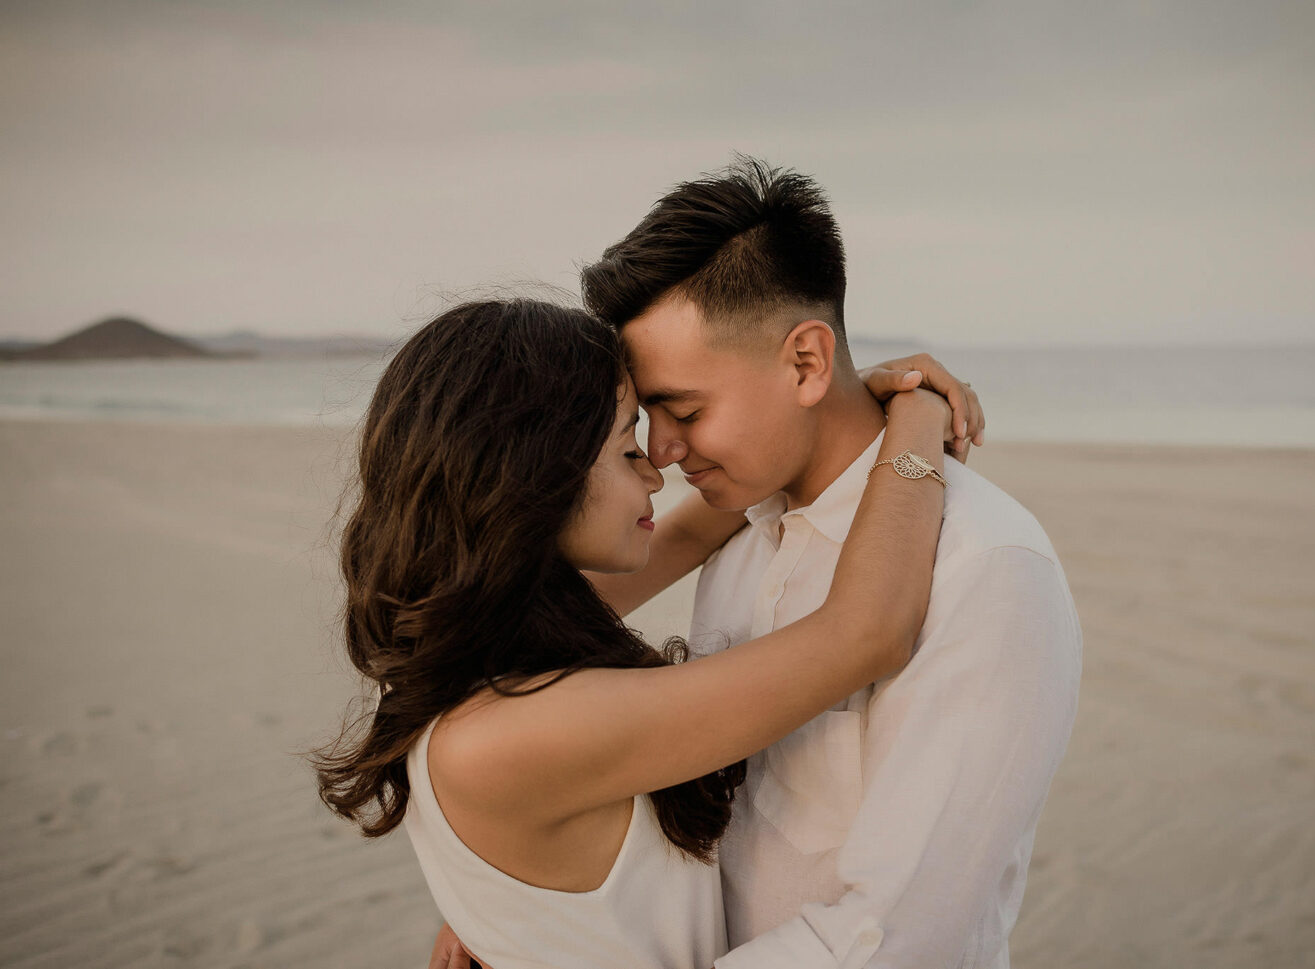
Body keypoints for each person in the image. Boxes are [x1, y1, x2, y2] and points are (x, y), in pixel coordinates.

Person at [437, 158, 1081, 968]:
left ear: (808, 363)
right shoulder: (736, 531)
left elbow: (904, 935)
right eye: (647, 416)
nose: (662, 453)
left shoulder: (984, 566)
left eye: (686, 409)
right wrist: (516, 901)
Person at [317, 297, 967, 969]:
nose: (657, 471)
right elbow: (867, 632)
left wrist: (836, 412)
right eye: (629, 446)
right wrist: (917, 415)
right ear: (537, 478)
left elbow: (686, 533)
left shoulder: (468, 638)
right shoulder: (508, 734)